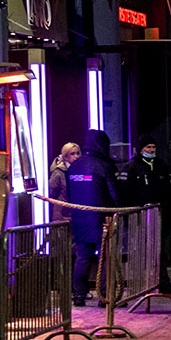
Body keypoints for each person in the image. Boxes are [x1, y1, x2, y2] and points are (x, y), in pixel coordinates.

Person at [118, 134, 171, 293]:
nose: (151, 150)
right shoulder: (131, 167)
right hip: (139, 218)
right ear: (141, 149)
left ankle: (163, 283)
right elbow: (124, 193)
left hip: (160, 217)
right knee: (140, 251)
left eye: (153, 147)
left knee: (160, 251)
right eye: (148, 147)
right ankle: (140, 285)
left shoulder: (162, 165)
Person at [66, 129, 119, 305]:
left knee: (82, 256)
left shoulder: (74, 166)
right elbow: (114, 193)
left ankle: (79, 295)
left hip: (80, 217)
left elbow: (69, 194)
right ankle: (104, 296)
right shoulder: (104, 165)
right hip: (102, 218)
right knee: (105, 257)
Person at [47, 142, 80, 224]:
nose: (76, 156)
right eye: (72, 154)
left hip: (75, 215)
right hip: (61, 217)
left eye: (78, 153)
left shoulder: (80, 171)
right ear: (65, 156)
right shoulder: (58, 173)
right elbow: (50, 193)